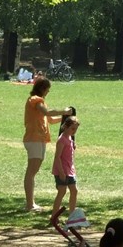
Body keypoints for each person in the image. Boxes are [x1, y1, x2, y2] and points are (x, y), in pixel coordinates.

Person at [22, 78, 72, 212]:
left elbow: (49, 119)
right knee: (31, 172)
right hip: (34, 139)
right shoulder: (35, 100)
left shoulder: (40, 102)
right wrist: (64, 111)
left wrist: (66, 119)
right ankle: (29, 204)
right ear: (42, 88)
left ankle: (30, 202)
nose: (48, 91)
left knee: (33, 171)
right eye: (47, 89)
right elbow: (47, 113)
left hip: (39, 139)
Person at [51, 116, 80, 218]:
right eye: (72, 128)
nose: (74, 131)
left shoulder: (70, 139)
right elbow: (57, 157)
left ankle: (72, 215)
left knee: (74, 191)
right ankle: (54, 216)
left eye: (76, 129)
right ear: (65, 127)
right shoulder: (62, 140)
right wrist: (61, 172)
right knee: (62, 191)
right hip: (62, 170)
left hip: (69, 170)